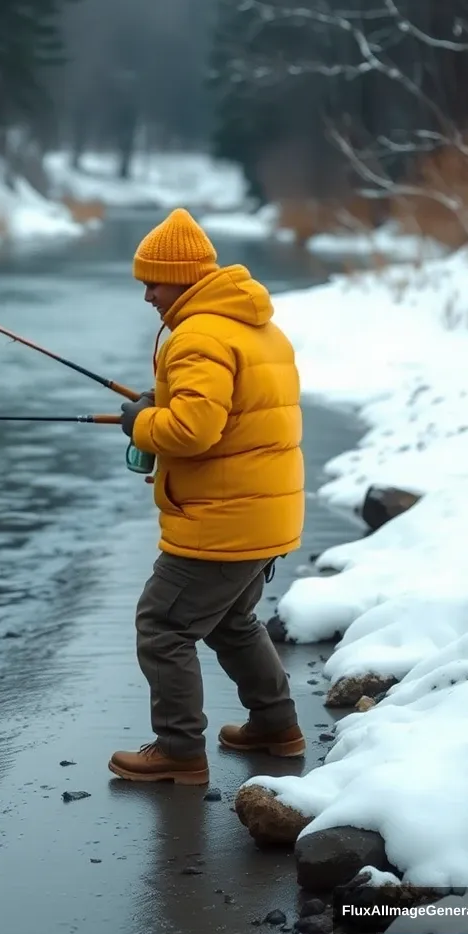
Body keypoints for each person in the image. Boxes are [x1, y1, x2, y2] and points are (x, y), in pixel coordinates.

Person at [108, 207, 306, 787]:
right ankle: (276, 725)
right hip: (262, 512)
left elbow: (192, 433)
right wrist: (159, 401)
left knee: (163, 625)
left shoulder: (198, 333)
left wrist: (141, 424)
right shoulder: (254, 324)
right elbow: (239, 411)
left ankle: (178, 752)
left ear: (186, 277)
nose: (147, 295)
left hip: (222, 520)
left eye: (154, 281)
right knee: (232, 621)